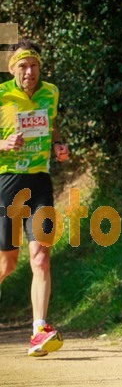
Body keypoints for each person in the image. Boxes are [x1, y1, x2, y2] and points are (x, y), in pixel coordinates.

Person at [0, 38, 69, 356]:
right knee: (7, 263)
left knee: (41, 256)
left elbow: (52, 125)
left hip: (40, 179)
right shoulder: (2, 95)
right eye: (23, 66)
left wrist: (58, 145)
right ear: (13, 69)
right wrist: (4, 144)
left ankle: (39, 330)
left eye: (34, 65)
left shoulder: (50, 92)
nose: (30, 72)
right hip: (7, 181)